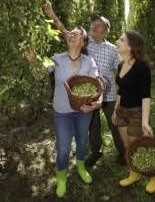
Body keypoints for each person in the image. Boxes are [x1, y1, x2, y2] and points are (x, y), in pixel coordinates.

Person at [41, 3, 126, 166]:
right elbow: (64, 31)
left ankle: (122, 151)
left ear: (106, 32)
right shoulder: (85, 43)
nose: (94, 25)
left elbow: (118, 73)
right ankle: (96, 151)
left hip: (109, 94)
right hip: (87, 94)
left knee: (115, 122)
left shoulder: (113, 49)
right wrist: (51, 14)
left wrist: (126, 91)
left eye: (99, 24)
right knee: (92, 125)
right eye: (93, 23)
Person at [26, 27, 101, 198]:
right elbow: (39, 75)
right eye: (70, 33)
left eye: (76, 33)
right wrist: (33, 62)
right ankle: (61, 178)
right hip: (62, 111)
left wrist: (98, 102)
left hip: (84, 109)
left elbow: (97, 84)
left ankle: (81, 168)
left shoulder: (90, 61)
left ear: (83, 42)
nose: (72, 35)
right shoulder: (56, 59)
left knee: (82, 142)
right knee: (64, 148)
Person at [110, 30, 155, 193]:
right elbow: (121, 90)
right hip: (122, 112)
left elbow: (146, 96)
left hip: (136, 112)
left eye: (121, 39)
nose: (117, 41)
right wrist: (115, 110)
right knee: (127, 146)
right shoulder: (120, 65)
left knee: (137, 146)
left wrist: (145, 122)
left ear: (131, 46)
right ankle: (134, 174)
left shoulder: (142, 68)